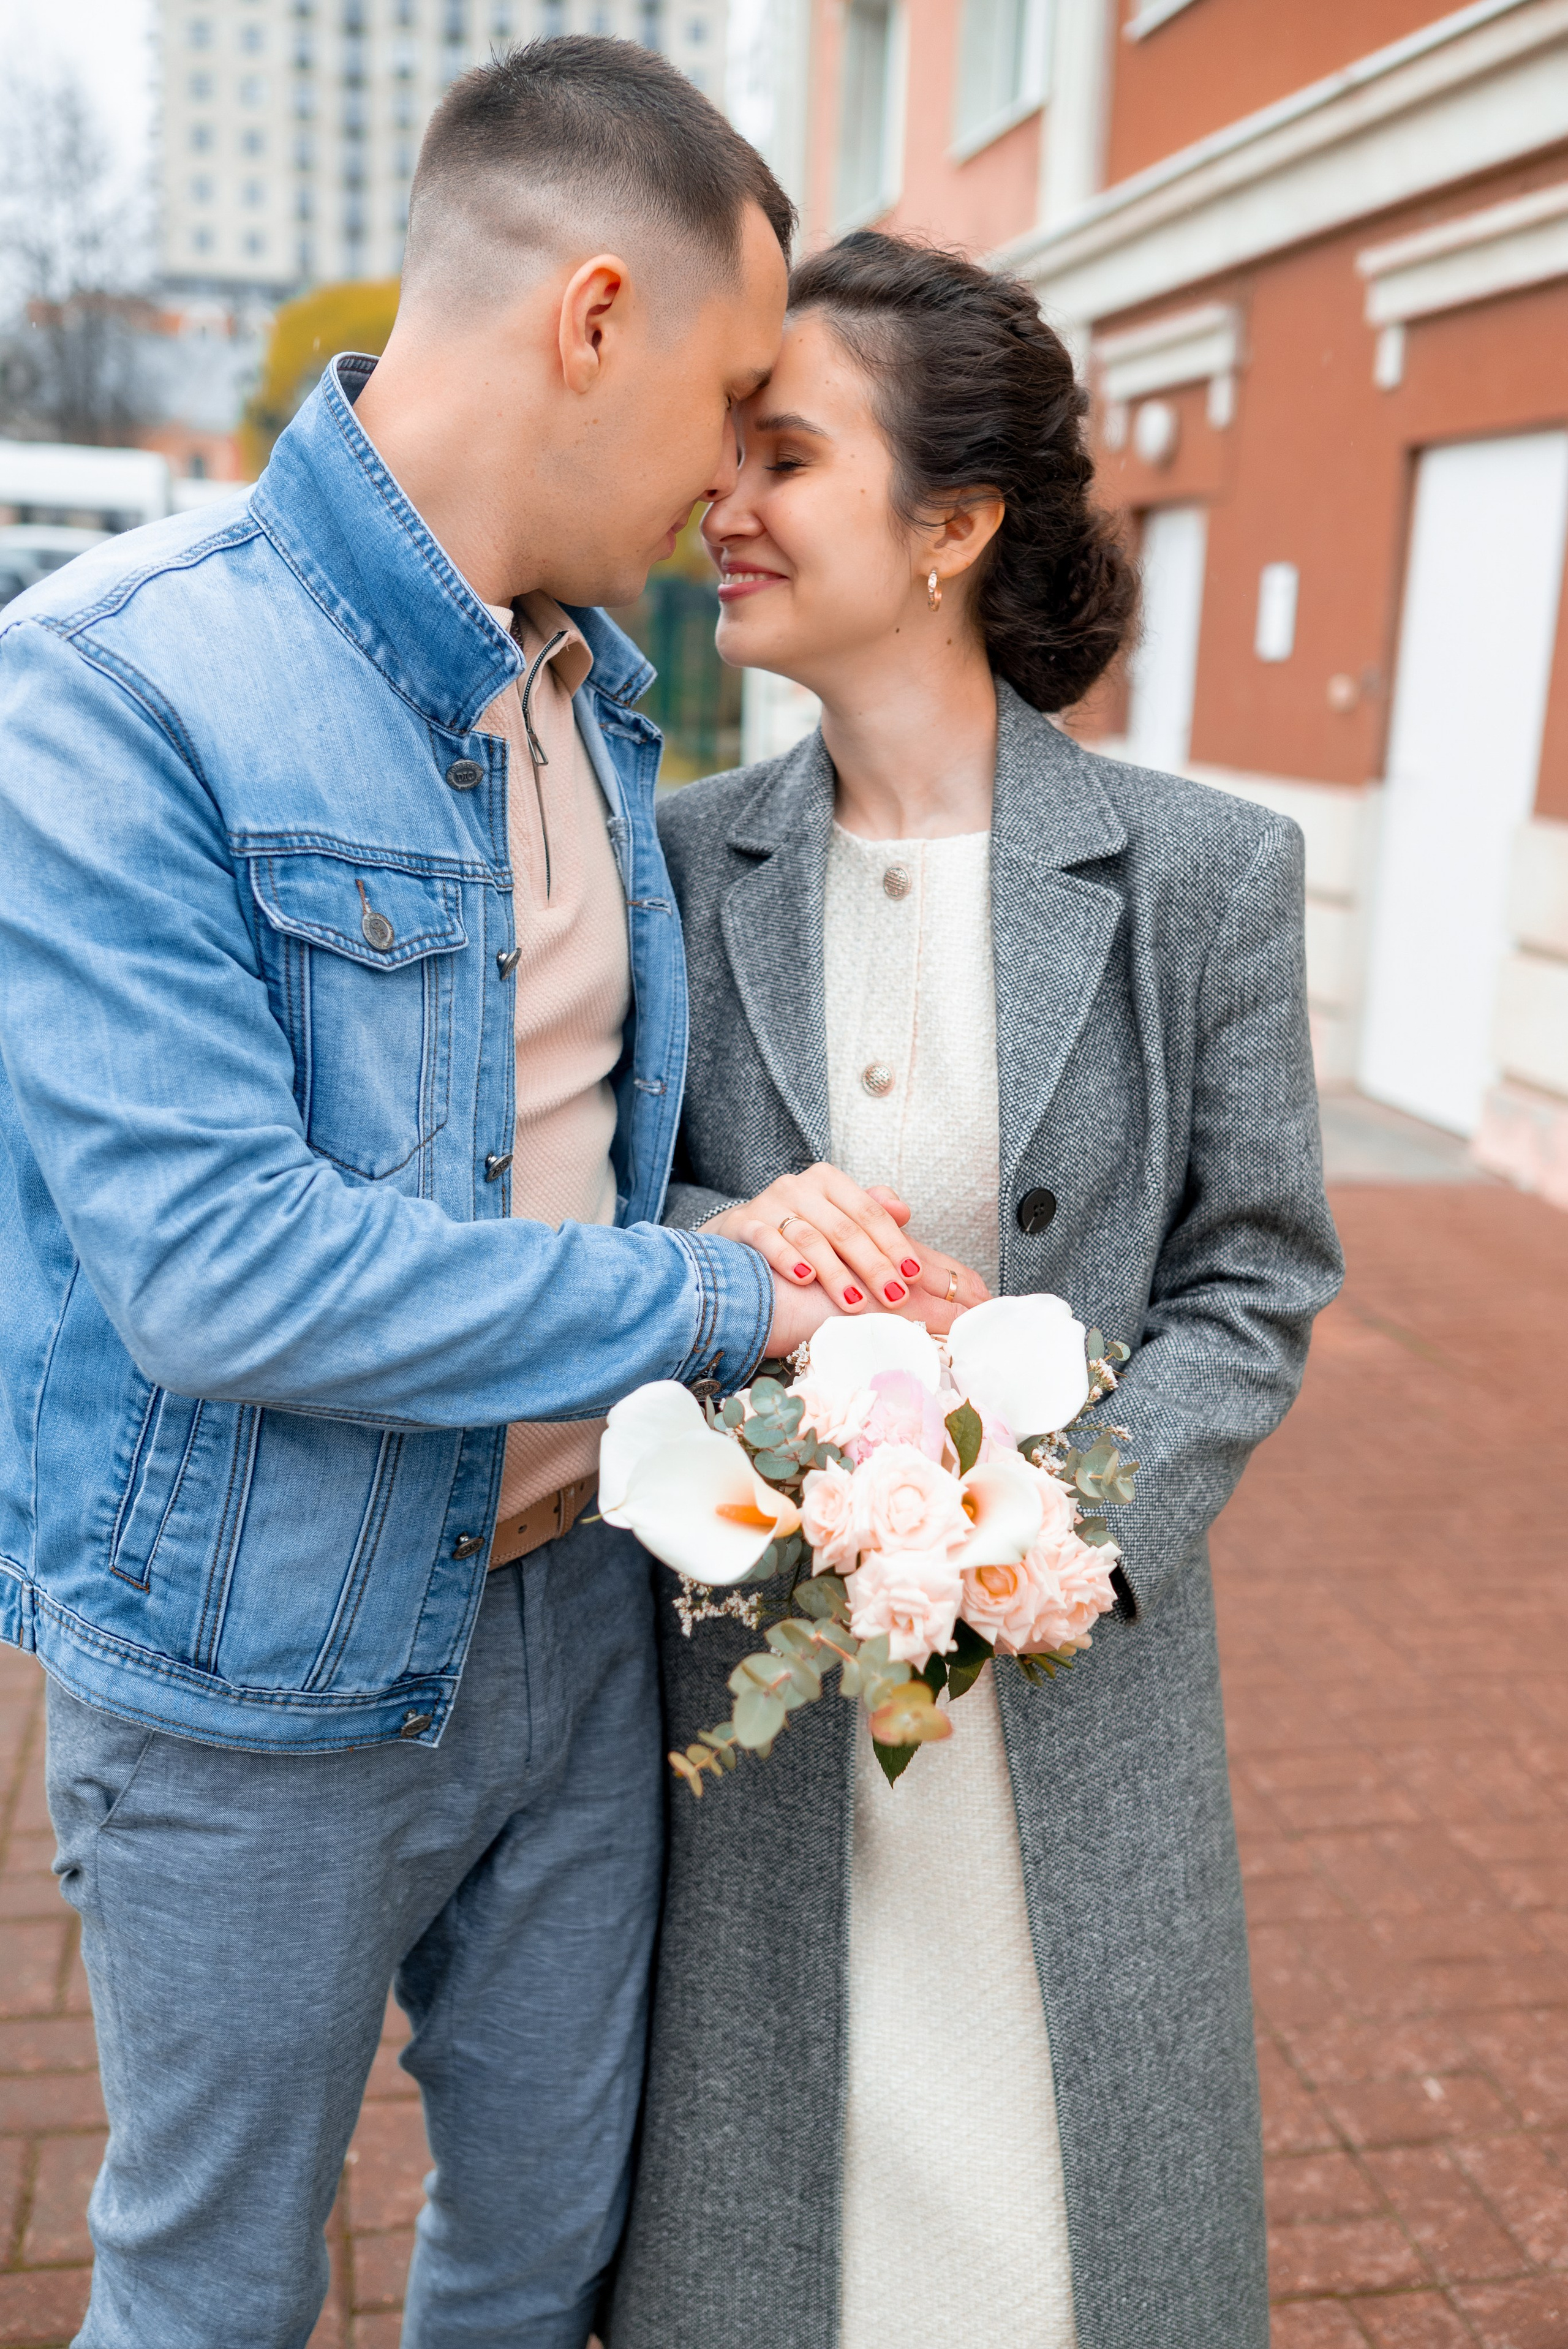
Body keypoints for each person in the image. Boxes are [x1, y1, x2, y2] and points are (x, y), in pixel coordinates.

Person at [0, 47, 972, 2349]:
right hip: (255, 1665)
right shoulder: (112, 683)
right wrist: (720, 1303)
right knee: (213, 2291)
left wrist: (746, 1221)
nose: (733, 474)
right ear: (594, 318)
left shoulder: (596, 699)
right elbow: (220, 1271)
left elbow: (541, 1142)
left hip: (577, 1613)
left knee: (543, 2260)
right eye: (731, 398)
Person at [606, 232, 1344, 2349]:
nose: (724, 503)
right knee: (785, 2251)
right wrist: (740, 1245)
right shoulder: (676, 862)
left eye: (786, 457)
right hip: (766, 1733)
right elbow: (620, 1205)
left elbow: (1258, 1269)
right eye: (729, 456)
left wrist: (1067, 1530)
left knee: (1055, 2249)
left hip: (1067, 1708)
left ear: (951, 527)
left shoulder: (1205, 875)